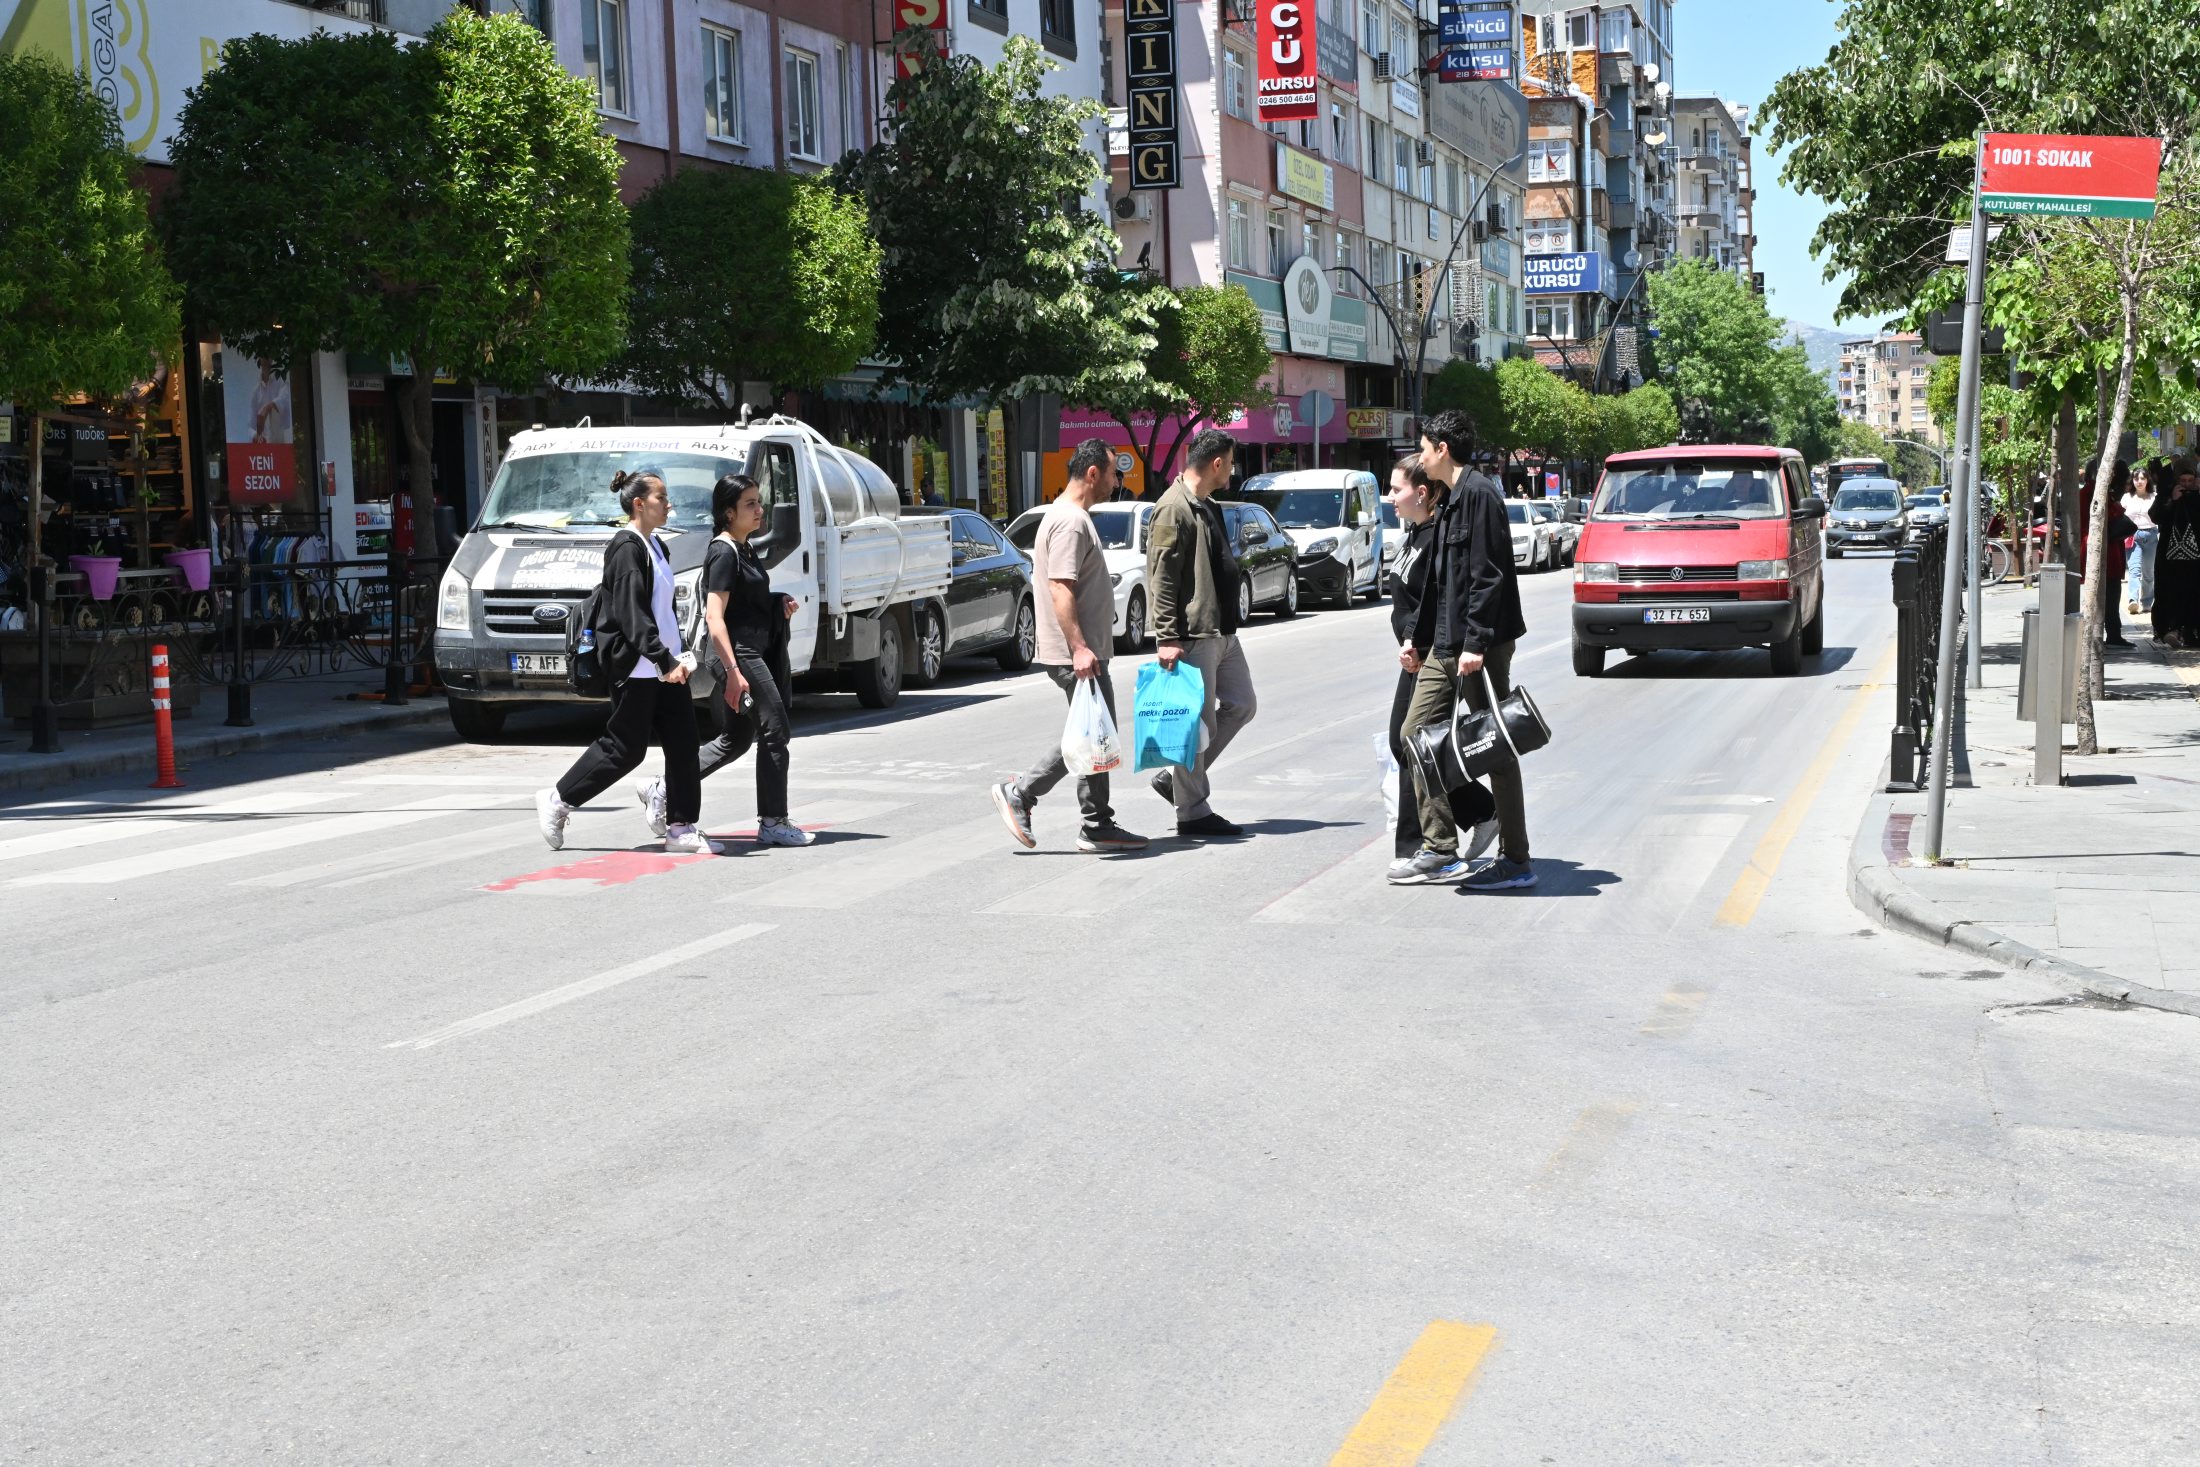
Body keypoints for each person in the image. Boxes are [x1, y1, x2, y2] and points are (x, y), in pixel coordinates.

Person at [536, 469, 714, 855]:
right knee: (624, 748)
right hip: (638, 667)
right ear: (639, 504)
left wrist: (676, 656)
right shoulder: (627, 548)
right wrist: (664, 659)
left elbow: (663, 612)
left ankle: (681, 827)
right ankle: (558, 799)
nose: (669, 505)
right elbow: (633, 616)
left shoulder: (656, 546)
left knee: (684, 744)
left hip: (664, 666)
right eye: (661, 498)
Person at [989, 439, 1149, 853]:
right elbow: (1061, 587)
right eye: (1115, 474)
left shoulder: (1068, 517)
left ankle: (1097, 823)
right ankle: (1023, 793)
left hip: (1082, 650)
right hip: (1075, 652)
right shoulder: (1071, 521)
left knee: (1096, 732)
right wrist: (1079, 647)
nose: (1117, 483)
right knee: (1092, 733)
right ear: (1093, 473)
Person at [1395, 409, 1532, 889]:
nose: (1421, 454)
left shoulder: (1479, 496)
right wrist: (1415, 636)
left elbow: (1487, 577)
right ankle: (1440, 848)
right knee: (1414, 737)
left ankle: (1516, 859)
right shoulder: (1450, 499)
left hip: (1480, 646)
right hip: (1446, 643)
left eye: (1425, 446)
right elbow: (1440, 582)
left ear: (1442, 450)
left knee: (1494, 747)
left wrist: (1475, 644)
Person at [637, 474, 813, 848]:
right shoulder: (723, 551)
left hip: (747, 650)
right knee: (775, 729)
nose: (759, 509)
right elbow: (716, 616)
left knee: (736, 739)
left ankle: (665, 786)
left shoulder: (744, 548)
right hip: (736, 653)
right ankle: (773, 820)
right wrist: (733, 672)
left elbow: (745, 603)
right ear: (728, 512)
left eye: (758, 502)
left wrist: (776, 601)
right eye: (750, 503)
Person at [1385, 453, 1496, 868]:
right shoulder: (1412, 535)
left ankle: (1438, 840)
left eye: (1397, 489)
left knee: (1412, 743)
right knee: (1412, 744)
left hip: (1433, 654)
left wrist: (1418, 642)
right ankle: (1475, 813)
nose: (1390, 497)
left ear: (1423, 492)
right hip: (1415, 653)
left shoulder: (1434, 536)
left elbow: (1437, 600)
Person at [1144, 427, 1256, 839]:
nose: (1233, 469)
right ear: (1216, 463)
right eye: (1230, 461)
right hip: (1194, 633)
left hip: (1223, 629)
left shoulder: (1206, 503)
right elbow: (1163, 577)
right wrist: (1167, 637)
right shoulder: (1173, 508)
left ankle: (1177, 780)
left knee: (1242, 704)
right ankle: (1192, 811)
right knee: (1196, 722)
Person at [2154, 460, 2200, 649]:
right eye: (2183, 480)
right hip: (2171, 559)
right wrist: (2172, 500)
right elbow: (2156, 516)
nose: (2187, 484)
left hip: (2196, 560)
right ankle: (2173, 629)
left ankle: (2192, 632)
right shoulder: (2167, 495)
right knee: (2172, 592)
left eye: (2191, 480)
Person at [2125, 463, 2159, 615]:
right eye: (2136, 478)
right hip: (2133, 536)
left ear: (2147, 480)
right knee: (2134, 570)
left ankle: (2147, 602)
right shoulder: (2127, 497)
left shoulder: (2154, 496)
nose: (2139, 481)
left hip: (2151, 535)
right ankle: (2133, 600)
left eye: (2142, 478)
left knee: (2149, 572)